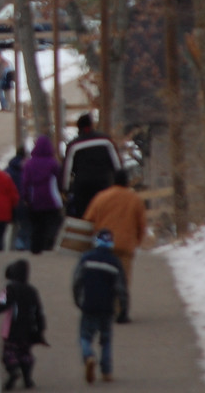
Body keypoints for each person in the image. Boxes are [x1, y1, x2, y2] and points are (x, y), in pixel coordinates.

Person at [82, 168, 147, 322]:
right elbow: (141, 225)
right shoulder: (135, 199)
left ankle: (105, 308)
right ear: (127, 182)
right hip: (126, 245)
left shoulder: (101, 197)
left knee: (104, 277)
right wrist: (136, 241)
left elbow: (88, 220)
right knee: (123, 279)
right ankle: (120, 310)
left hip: (104, 245)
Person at [72, 228, 128, 384]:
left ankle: (89, 356)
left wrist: (78, 300)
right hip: (107, 307)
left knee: (85, 337)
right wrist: (122, 309)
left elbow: (77, 281)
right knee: (106, 340)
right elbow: (121, 289)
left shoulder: (86, 258)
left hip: (89, 305)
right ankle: (106, 372)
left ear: (96, 241)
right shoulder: (115, 262)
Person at [0, 258, 48, 390]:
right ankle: (27, 378)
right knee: (25, 353)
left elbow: (2, 304)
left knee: (9, 353)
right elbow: (39, 311)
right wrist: (40, 329)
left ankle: (13, 371)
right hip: (28, 330)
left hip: (12, 329)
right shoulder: (32, 290)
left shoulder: (9, 288)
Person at [63, 113, 121, 217]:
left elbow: (67, 171)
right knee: (104, 214)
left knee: (85, 215)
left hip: (82, 187)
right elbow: (117, 165)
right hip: (104, 184)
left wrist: (65, 189)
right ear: (92, 125)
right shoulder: (106, 141)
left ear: (78, 127)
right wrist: (121, 185)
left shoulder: (73, 145)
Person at [21, 134, 65, 254]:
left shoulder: (29, 164)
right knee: (52, 224)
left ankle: (36, 248)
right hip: (52, 199)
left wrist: (25, 198)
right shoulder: (53, 163)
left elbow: (25, 183)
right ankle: (50, 246)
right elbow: (59, 181)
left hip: (35, 200)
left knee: (37, 226)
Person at [5, 147, 31, 251]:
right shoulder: (28, 168)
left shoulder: (7, 170)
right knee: (26, 228)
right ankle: (25, 248)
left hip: (11, 204)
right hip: (25, 203)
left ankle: (10, 249)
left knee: (12, 228)